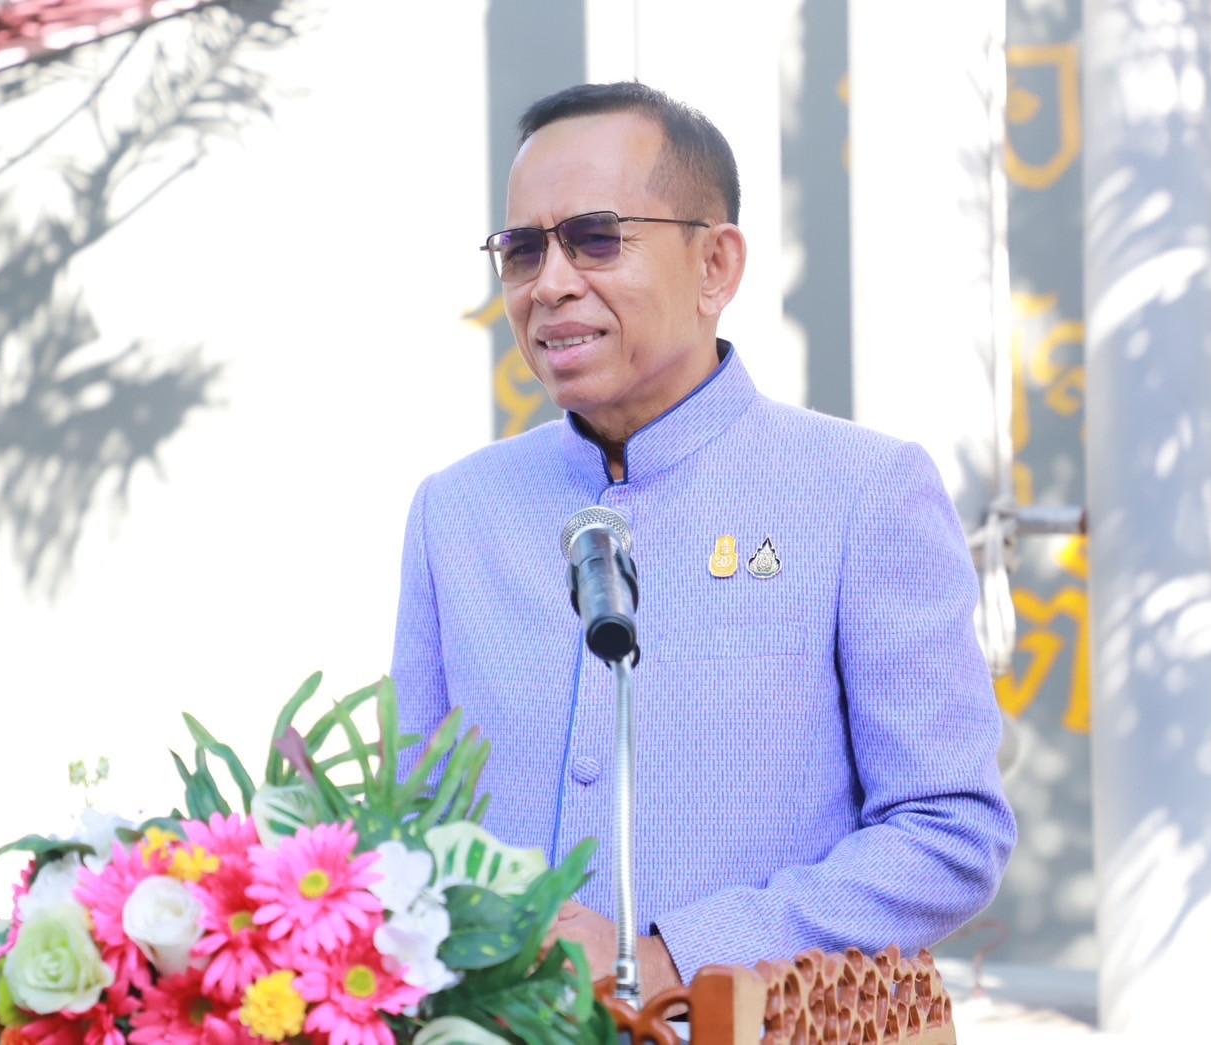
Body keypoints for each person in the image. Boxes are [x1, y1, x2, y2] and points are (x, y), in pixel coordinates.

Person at [391, 82, 1016, 1001]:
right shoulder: (456, 511)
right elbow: (411, 824)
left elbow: (949, 832)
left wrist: (672, 956)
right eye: (522, 249)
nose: (550, 283)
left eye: (594, 238)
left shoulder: (861, 491)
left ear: (715, 265)